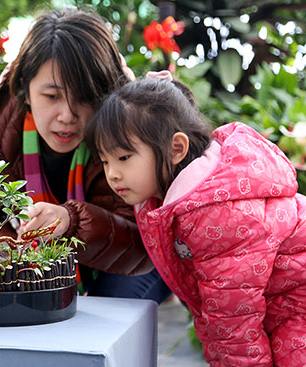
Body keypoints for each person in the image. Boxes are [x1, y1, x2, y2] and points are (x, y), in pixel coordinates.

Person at [85, 78, 306, 366]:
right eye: (104, 161)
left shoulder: (219, 214)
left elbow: (232, 325)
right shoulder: (171, 199)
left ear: (176, 148)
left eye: (124, 157)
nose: (112, 173)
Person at [0, 8, 172, 302]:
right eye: (52, 96)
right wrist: (7, 256)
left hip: (133, 267)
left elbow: (141, 243)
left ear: (106, 91)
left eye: (83, 97)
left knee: (107, 316)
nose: (67, 116)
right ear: (24, 87)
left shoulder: (132, 132)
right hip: (34, 266)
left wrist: (72, 223)